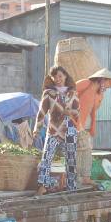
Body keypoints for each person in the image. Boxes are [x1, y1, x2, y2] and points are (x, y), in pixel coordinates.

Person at [33, 66, 79, 195]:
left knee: (71, 159)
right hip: (53, 129)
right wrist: (37, 128)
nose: (58, 79)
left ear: (65, 76)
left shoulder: (73, 93)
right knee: (46, 156)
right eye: (55, 77)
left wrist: (70, 112)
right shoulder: (48, 93)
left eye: (60, 76)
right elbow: (42, 112)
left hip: (70, 130)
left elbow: (77, 112)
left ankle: (72, 187)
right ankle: (43, 185)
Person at [75, 68, 111, 186]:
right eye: (108, 83)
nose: (108, 87)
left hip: (85, 124)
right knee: (81, 149)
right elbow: (69, 93)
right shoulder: (86, 83)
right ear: (102, 80)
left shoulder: (99, 95)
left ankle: (84, 177)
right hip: (74, 121)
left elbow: (93, 111)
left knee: (86, 150)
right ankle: (80, 177)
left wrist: (93, 127)